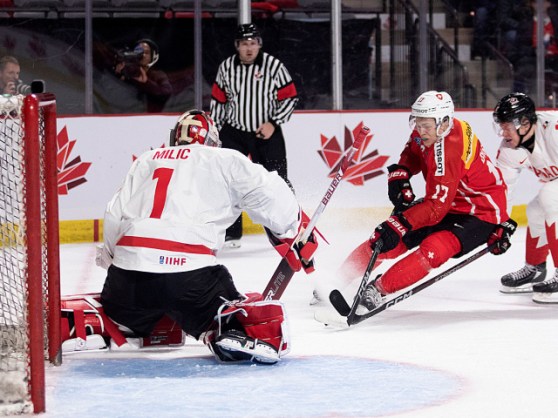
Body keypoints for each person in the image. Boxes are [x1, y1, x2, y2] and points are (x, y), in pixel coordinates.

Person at [96, 110, 317, 364]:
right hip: (189, 281)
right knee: (237, 315)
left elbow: (113, 214)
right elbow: (271, 194)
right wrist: (294, 226)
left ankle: (128, 321)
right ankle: (225, 329)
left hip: (126, 284)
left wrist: (116, 264)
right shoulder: (223, 159)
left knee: (130, 307)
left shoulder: (146, 160)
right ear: (212, 139)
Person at [338, 91, 515, 314]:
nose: (420, 131)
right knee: (386, 239)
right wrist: (402, 172)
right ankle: (337, 280)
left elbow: (435, 208)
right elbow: (413, 150)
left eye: (426, 126)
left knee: (434, 249)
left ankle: (378, 290)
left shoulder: (450, 149)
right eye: (418, 124)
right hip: (449, 200)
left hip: (480, 212)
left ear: (444, 123)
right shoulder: (431, 128)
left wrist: (399, 223)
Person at [210, 23, 299, 249]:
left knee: (278, 180)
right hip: (234, 132)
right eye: (244, 44)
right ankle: (231, 233)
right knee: (228, 182)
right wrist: (215, 133)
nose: (249, 48)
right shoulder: (226, 67)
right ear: (237, 46)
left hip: (266, 132)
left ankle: (288, 229)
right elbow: (219, 102)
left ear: (259, 44)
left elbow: (290, 97)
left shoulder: (273, 66)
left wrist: (273, 122)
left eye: (253, 43)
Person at [493, 93, 558, 304]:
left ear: (525, 123)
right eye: (501, 126)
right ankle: (535, 268)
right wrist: (500, 224)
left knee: (550, 196)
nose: (503, 133)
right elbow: (503, 190)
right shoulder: (508, 150)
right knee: (536, 210)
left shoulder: (554, 130)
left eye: (507, 127)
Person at [114, 39, 172, 113]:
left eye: (147, 53)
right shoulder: (128, 71)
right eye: (139, 52)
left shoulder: (157, 75)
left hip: (150, 116)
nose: (142, 55)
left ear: (153, 56)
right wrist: (118, 75)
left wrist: (146, 83)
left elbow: (166, 93)